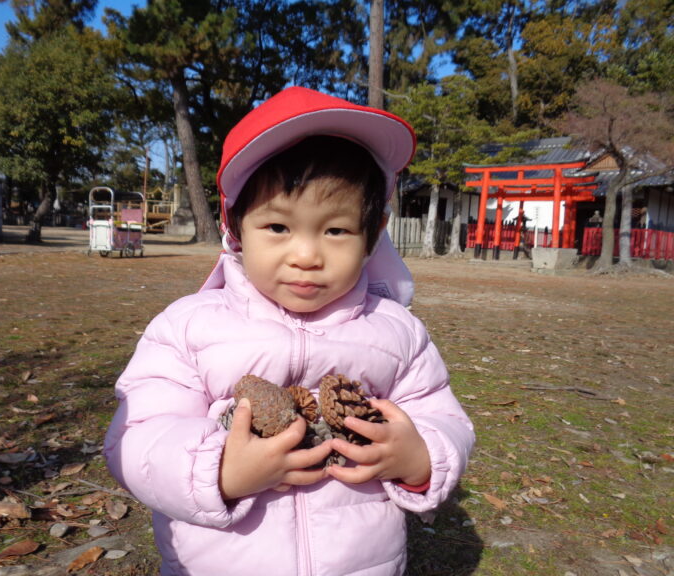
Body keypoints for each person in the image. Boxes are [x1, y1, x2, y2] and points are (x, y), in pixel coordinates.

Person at [104, 86, 475, 576]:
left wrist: (421, 455)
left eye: (336, 230)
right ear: (235, 225)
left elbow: (442, 414)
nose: (306, 255)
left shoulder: (395, 332)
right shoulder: (188, 327)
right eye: (278, 227)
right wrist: (219, 472)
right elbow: (137, 438)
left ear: (373, 232)